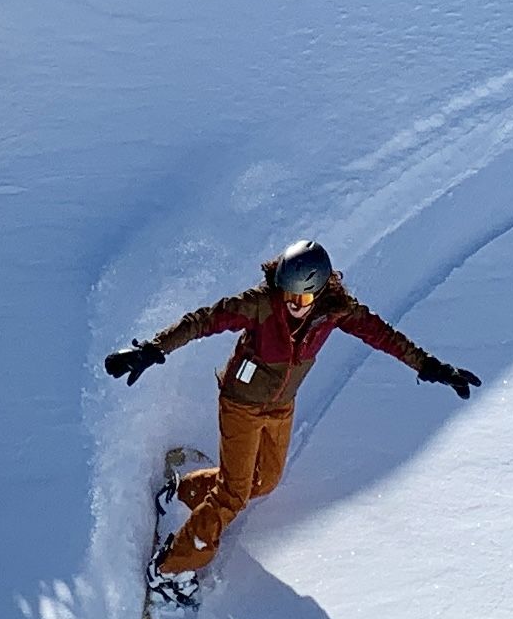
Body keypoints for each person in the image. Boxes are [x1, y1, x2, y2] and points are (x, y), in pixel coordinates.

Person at [103, 238, 480, 576]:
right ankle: (172, 569)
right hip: (241, 403)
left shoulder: (337, 311)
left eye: (300, 300)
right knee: (234, 494)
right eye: (287, 295)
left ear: (320, 293)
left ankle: (183, 491)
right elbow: (203, 320)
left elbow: (384, 335)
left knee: (263, 481)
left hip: (281, 407)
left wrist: (430, 367)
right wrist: (152, 350)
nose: (292, 306)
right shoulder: (261, 306)